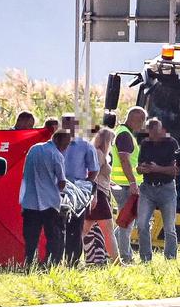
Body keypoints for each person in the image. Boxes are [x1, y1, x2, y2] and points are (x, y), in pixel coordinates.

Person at [19, 130, 70, 268]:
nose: (67, 146)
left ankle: (29, 264)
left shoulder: (34, 149)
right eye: (66, 143)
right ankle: (50, 265)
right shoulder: (56, 155)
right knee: (53, 237)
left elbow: (25, 172)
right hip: (49, 203)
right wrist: (61, 190)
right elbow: (61, 181)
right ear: (59, 140)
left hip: (30, 201)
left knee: (31, 238)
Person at [136, 118, 179, 262]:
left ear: (161, 130)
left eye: (156, 133)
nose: (154, 136)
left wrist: (157, 169)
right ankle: (145, 258)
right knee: (142, 224)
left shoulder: (171, 143)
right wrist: (142, 169)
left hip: (166, 188)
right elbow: (139, 166)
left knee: (169, 227)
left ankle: (170, 258)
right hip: (148, 188)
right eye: (151, 133)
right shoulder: (145, 144)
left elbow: (175, 170)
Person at [61, 114, 99, 266]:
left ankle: (73, 262)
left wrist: (86, 188)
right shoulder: (54, 144)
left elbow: (94, 170)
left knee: (76, 227)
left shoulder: (85, 146)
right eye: (65, 123)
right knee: (57, 226)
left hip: (78, 191)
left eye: (70, 124)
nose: (67, 127)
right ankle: (56, 260)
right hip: (59, 188)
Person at [111, 106, 147, 263]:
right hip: (125, 185)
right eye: (142, 121)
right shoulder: (125, 135)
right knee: (126, 223)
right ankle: (125, 257)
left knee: (124, 221)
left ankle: (111, 249)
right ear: (134, 119)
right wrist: (133, 182)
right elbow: (124, 159)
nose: (143, 125)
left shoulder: (123, 132)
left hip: (123, 183)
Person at [83, 127, 119, 262]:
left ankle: (70, 256)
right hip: (98, 194)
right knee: (109, 230)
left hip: (100, 191)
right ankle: (117, 261)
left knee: (84, 229)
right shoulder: (97, 153)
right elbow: (93, 173)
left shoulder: (101, 154)